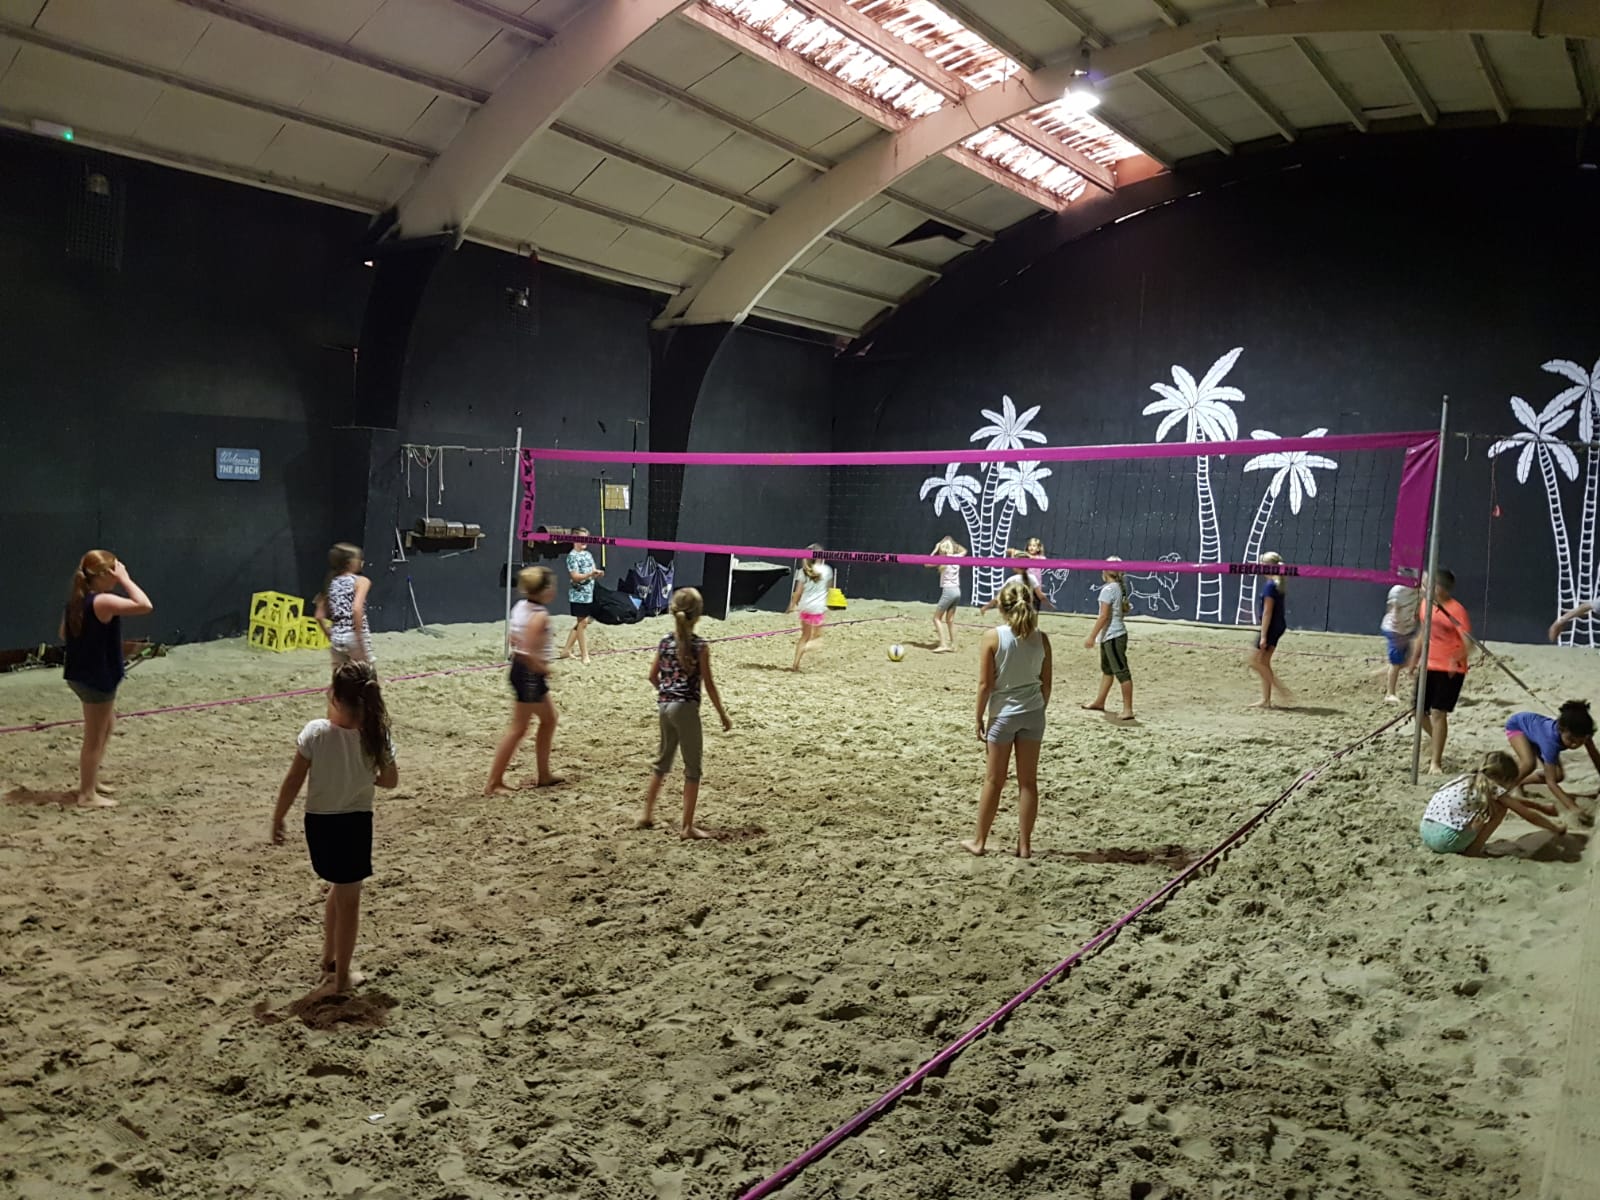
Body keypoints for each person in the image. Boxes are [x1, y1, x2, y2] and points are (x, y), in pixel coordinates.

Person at [270, 661, 397, 998]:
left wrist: (278, 817)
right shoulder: (375, 736)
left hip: (319, 826)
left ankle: (329, 959)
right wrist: (364, 775)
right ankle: (342, 979)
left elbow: (293, 780)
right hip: (353, 825)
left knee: (339, 888)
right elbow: (390, 780)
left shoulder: (315, 732)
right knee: (349, 900)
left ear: (335, 698)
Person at [962, 576, 1052, 859]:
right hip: (1033, 713)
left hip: (1003, 714)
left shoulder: (993, 637)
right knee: (1028, 782)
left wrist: (978, 717)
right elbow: (1046, 684)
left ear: (1001, 607)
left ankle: (979, 842)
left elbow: (985, 685)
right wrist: (1038, 710)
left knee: (993, 780)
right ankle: (1024, 846)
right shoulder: (1042, 638)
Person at [60, 551, 153, 807]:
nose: (117, 573)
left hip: (82, 674)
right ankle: (87, 794)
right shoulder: (103, 601)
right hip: (95, 678)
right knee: (94, 737)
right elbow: (145, 605)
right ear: (102, 575)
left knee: (108, 725)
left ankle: (91, 780)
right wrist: (126, 579)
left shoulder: (77, 601)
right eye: (114, 570)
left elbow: (63, 633)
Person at [638, 588, 732, 838]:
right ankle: (687, 827)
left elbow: (652, 676)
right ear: (698, 615)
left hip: (664, 706)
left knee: (662, 763)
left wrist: (666, 691)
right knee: (693, 769)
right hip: (686, 708)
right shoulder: (700, 646)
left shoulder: (665, 641)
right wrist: (722, 714)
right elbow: (709, 684)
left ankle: (646, 814)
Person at [485, 566, 560, 794]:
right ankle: (494, 782)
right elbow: (526, 651)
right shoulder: (539, 616)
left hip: (522, 671)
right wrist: (544, 669)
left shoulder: (520, 607)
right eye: (551, 585)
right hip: (529, 674)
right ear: (544, 590)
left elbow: (513, 639)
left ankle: (544, 774)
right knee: (519, 728)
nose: (554, 589)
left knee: (549, 719)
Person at [1419, 751, 1562, 856]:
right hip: (1445, 840)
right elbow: (1528, 815)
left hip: (1426, 831)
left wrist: (1541, 807)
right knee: (1500, 808)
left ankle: (1467, 844)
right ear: (1504, 779)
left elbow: (1511, 800)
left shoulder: (1467, 778)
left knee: (1492, 804)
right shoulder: (1493, 788)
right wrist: (1555, 828)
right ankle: (1474, 850)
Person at [1505, 700, 1600, 824]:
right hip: (1518, 727)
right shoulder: (1550, 744)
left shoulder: (1582, 733)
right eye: (1571, 740)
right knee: (1529, 764)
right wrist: (1573, 807)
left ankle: (1520, 782)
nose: (1574, 745)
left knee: (1559, 775)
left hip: (1536, 734)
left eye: (1580, 742)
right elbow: (1551, 783)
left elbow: (1595, 756)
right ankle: (1503, 789)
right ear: (1561, 730)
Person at [1420, 569, 1471, 775]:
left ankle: (1436, 763)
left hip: (1450, 669)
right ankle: (1437, 740)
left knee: (1438, 713)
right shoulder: (1425, 605)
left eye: (1426, 584)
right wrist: (1413, 660)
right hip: (1428, 665)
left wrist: (1455, 659)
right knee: (1417, 710)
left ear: (1438, 588)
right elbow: (1422, 634)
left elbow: (1469, 643)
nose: (1422, 587)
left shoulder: (1456, 610)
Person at [1082, 558, 1134, 721]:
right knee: (1107, 671)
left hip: (1113, 636)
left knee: (1122, 672)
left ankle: (1128, 709)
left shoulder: (1108, 589)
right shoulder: (1119, 587)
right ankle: (1100, 701)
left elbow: (1103, 616)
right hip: (1111, 635)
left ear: (1104, 571)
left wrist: (1091, 636)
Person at [315, 543, 372, 667]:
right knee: (367, 673)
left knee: (341, 676)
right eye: (359, 559)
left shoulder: (331, 582)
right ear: (350, 563)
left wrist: (329, 634)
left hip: (337, 636)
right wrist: (359, 639)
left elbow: (318, 616)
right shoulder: (361, 581)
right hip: (354, 635)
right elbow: (356, 609)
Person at [1248, 552, 1292, 709]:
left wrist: (1263, 636)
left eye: (1262, 564)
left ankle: (1281, 690)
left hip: (1271, 627)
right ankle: (1266, 700)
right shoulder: (1277, 584)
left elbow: (1267, 612)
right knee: (1263, 662)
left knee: (1254, 661)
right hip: (1278, 625)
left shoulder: (1270, 586)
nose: (1260, 567)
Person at [785, 544, 834, 671]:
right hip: (817, 608)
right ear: (820, 556)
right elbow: (829, 589)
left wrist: (792, 605)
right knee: (818, 640)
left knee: (804, 636)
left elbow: (798, 592)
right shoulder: (827, 570)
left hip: (805, 607)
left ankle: (795, 664)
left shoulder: (803, 571)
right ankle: (805, 649)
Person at [561, 529, 604, 665]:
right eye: (582, 538)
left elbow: (592, 571)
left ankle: (566, 650)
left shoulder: (588, 555)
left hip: (589, 593)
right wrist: (590, 574)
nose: (585, 541)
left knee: (584, 622)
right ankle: (584, 655)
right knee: (582, 622)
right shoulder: (572, 556)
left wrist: (597, 573)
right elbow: (575, 576)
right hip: (578, 594)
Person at [1381, 580, 1420, 703]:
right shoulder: (1399, 591)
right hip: (1396, 630)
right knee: (1396, 663)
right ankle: (1390, 693)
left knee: (1413, 657)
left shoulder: (1421, 591)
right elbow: (1394, 611)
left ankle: (1392, 670)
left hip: (1408, 628)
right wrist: (1399, 633)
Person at [928, 536, 965, 653]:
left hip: (949, 591)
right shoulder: (957, 557)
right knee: (950, 620)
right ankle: (954, 645)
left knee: (936, 618)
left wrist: (935, 550)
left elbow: (926, 563)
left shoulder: (942, 559)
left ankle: (943, 644)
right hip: (957, 591)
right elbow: (964, 551)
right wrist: (953, 544)